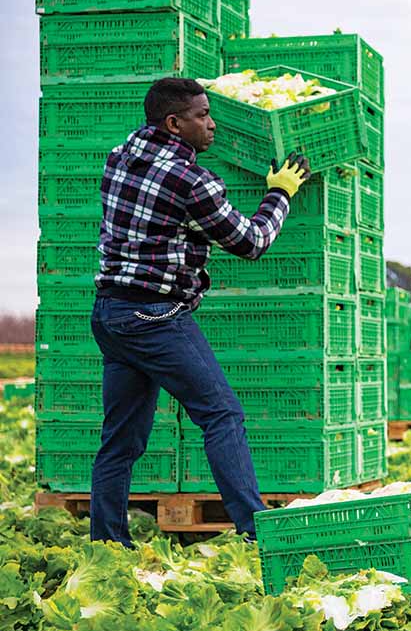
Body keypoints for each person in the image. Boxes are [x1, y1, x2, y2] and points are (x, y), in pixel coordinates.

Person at [90, 78, 311, 546]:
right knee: (222, 413)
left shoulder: (120, 154)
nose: (212, 125)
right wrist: (281, 193)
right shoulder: (191, 182)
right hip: (154, 316)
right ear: (174, 123)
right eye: (202, 115)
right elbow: (251, 242)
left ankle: (108, 544)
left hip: (110, 313)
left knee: (121, 442)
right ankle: (257, 532)